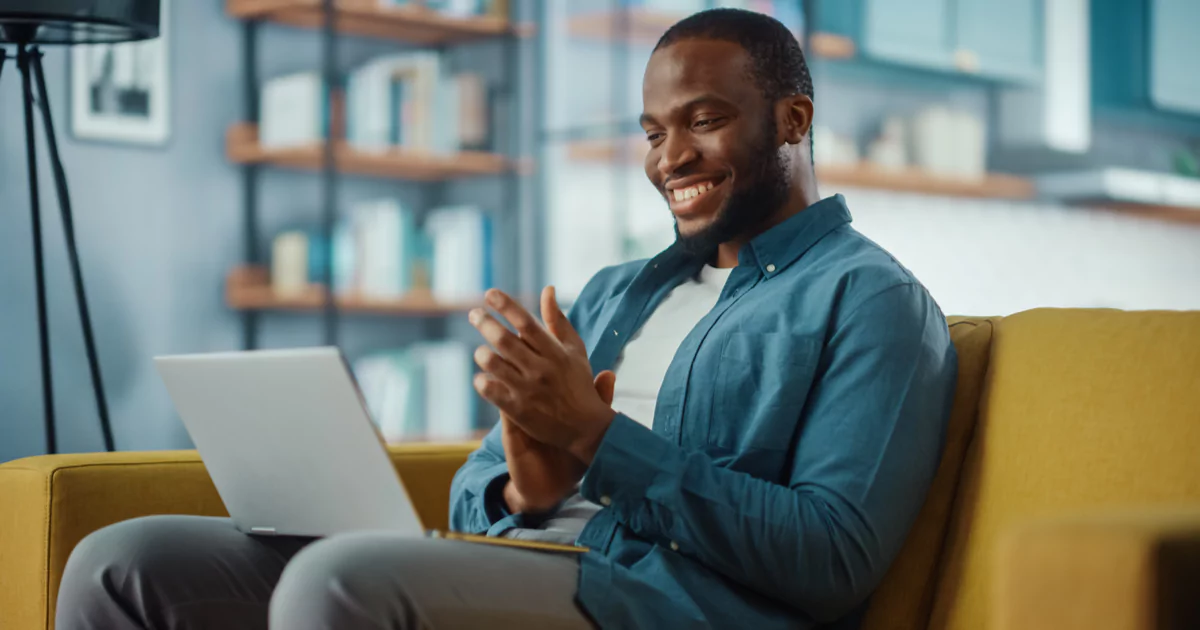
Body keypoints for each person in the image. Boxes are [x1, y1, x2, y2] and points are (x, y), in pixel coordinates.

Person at [55, 8, 957, 630]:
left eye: (705, 120)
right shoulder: (615, 291)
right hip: (531, 564)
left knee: (341, 586)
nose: (670, 156)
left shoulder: (869, 300)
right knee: (123, 561)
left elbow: (834, 561)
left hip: (656, 604)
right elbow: (474, 496)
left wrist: (599, 440)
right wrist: (527, 490)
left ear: (793, 118)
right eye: (651, 131)